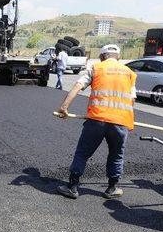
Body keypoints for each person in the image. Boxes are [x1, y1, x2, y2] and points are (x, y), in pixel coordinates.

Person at [56, 44, 136, 199]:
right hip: (120, 123)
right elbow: (131, 100)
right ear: (118, 57)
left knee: (82, 153)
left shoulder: (97, 68)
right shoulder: (129, 73)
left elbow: (78, 86)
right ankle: (112, 188)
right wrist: (126, 119)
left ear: (102, 56)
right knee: (116, 155)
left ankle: (72, 187)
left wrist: (64, 107)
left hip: (97, 120)